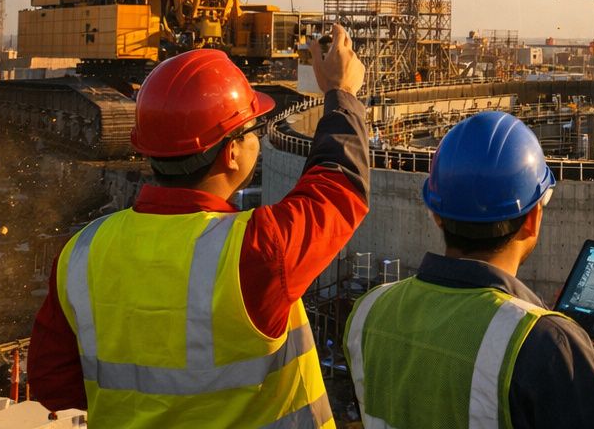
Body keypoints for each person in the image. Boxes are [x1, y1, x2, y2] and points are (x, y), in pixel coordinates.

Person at [31, 25, 370, 427]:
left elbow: (53, 384)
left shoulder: (83, 251)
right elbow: (340, 187)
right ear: (230, 153)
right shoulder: (255, 250)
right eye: (254, 130)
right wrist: (342, 93)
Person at [344, 109, 594, 428]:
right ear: (533, 218)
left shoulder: (370, 310)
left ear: (436, 213)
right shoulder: (543, 344)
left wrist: (556, 333)